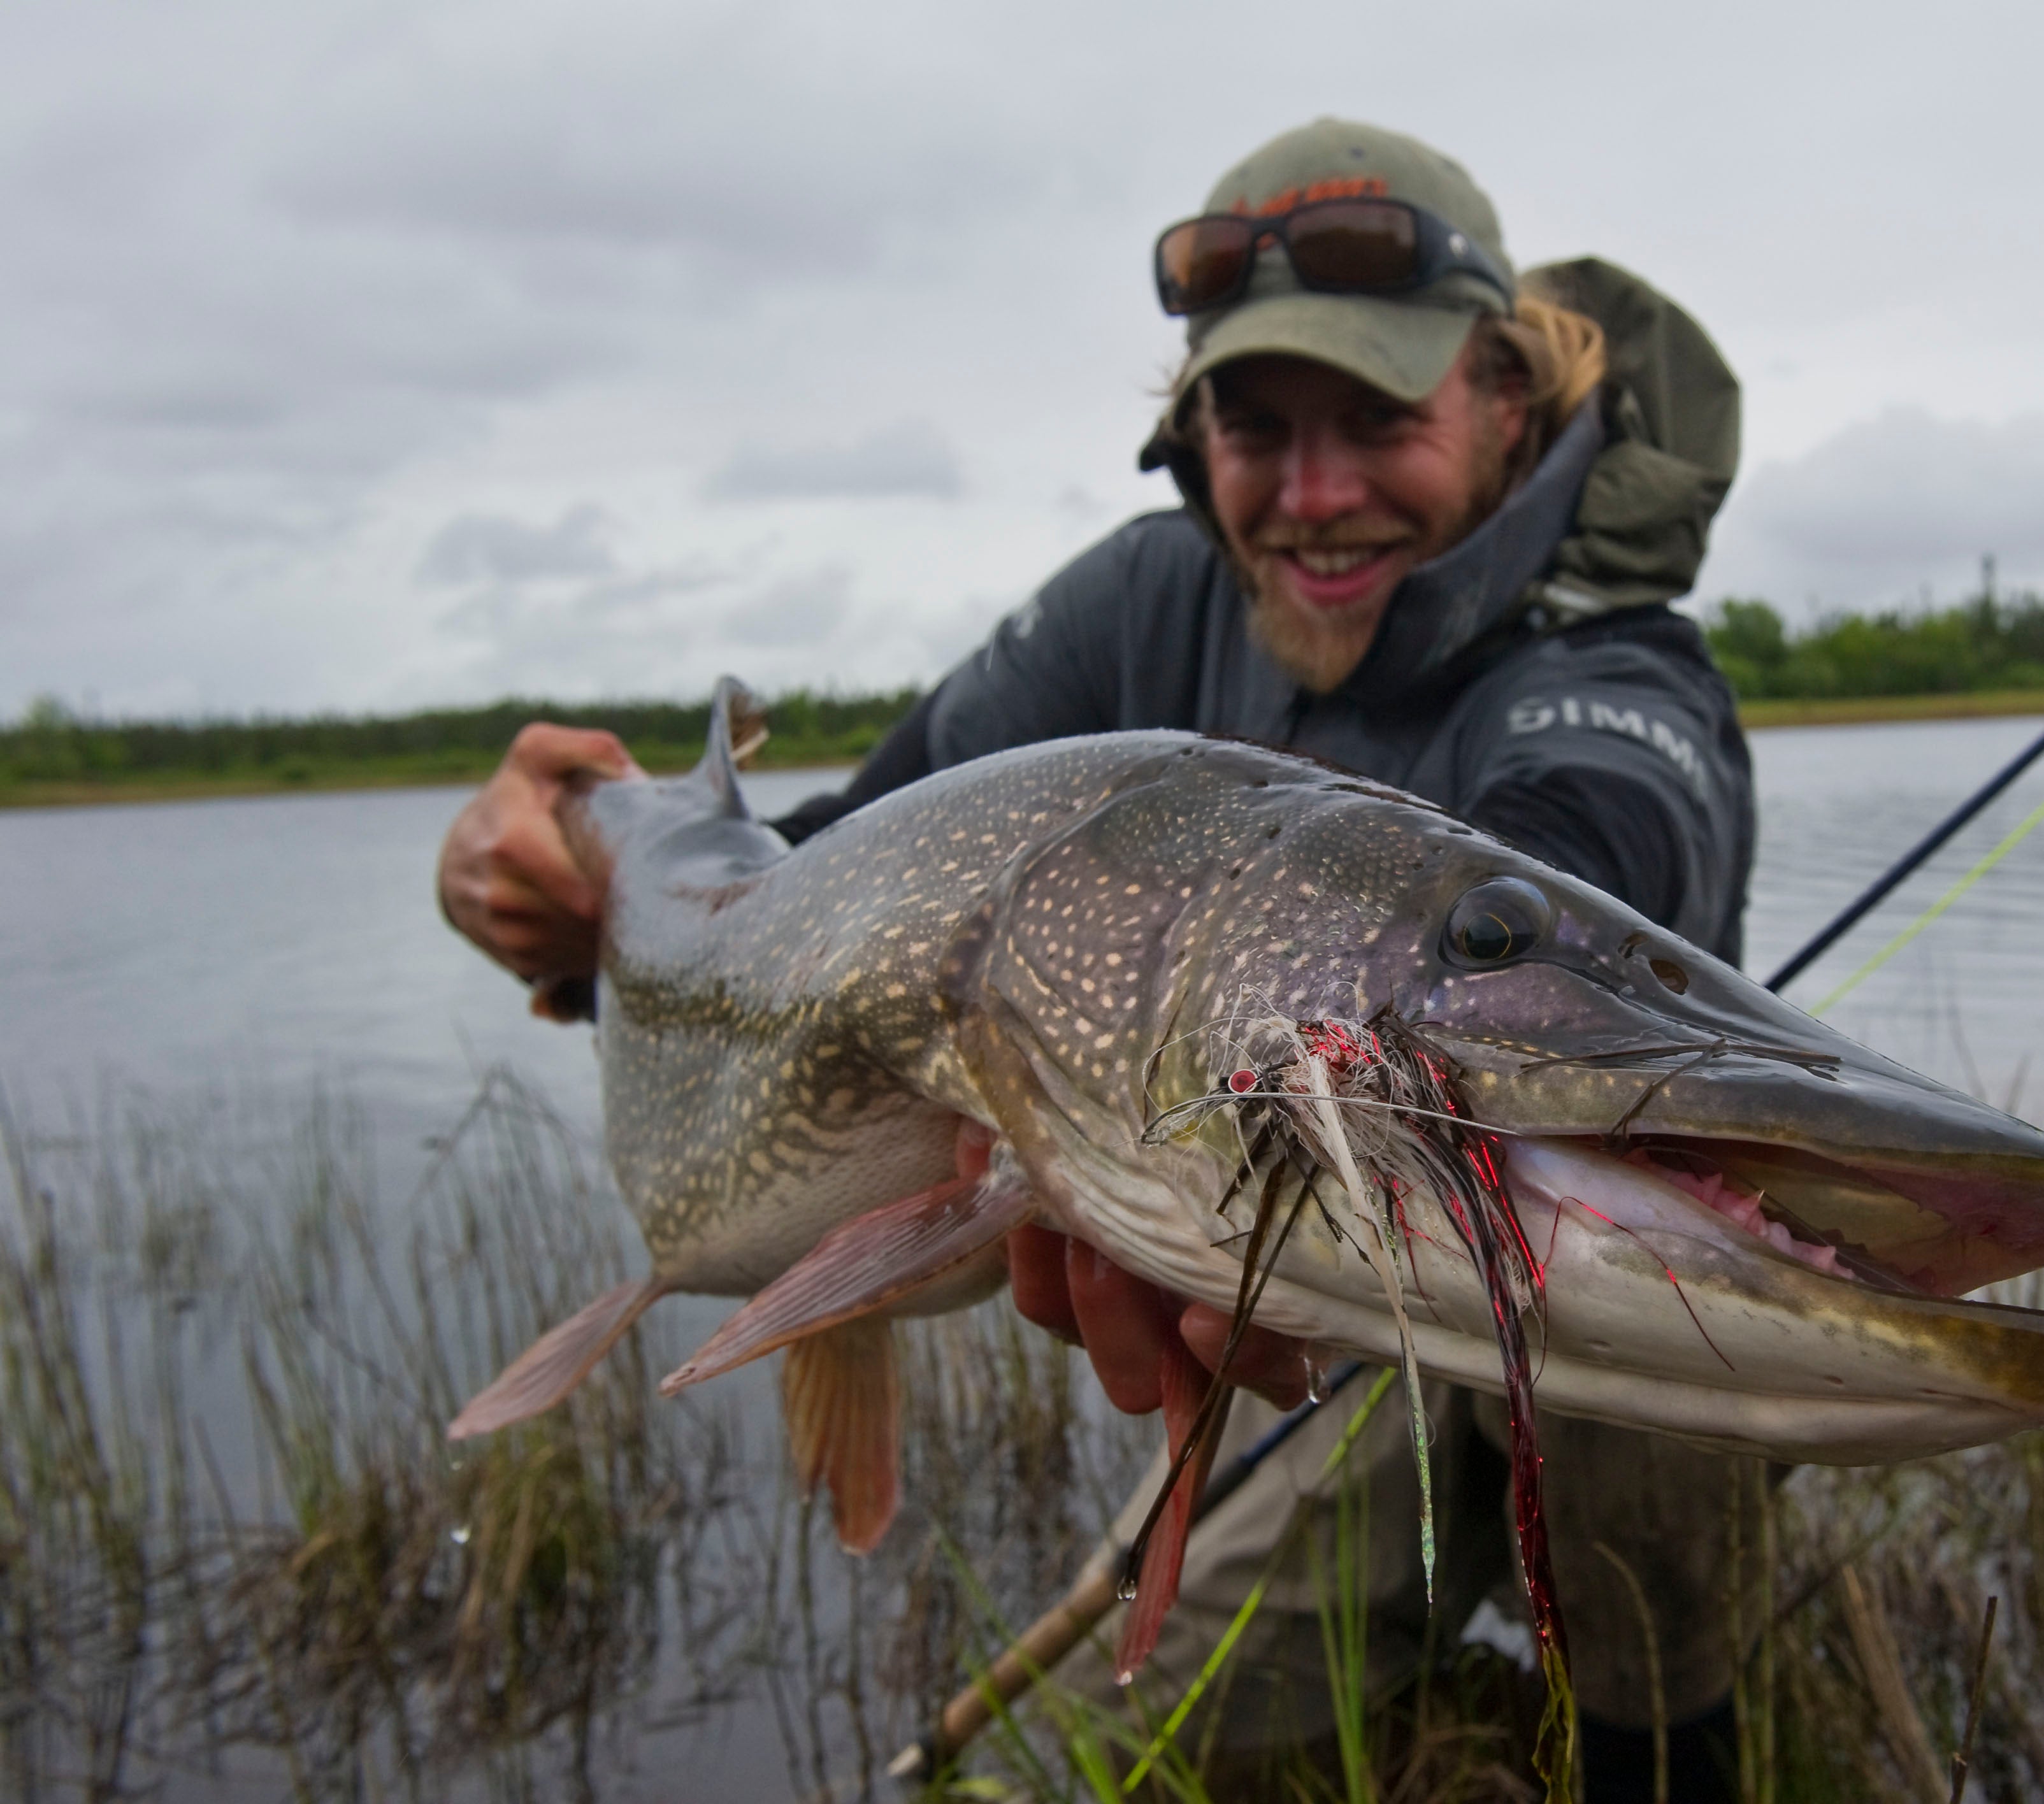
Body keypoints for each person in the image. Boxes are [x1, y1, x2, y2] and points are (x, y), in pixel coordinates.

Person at [436, 118, 1758, 1798]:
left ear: (1503, 398)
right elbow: (829, 889)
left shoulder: (1623, 674)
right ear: (1189, 427)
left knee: (1634, 1366)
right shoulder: (1144, 606)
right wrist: (553, 909)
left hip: (1529, 1257)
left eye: (1382, 419)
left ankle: (1672, 1739)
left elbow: (1603, 852)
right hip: (1298, 1336)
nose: (1315, 490)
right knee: (1145, 1743)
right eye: (1254, 426)